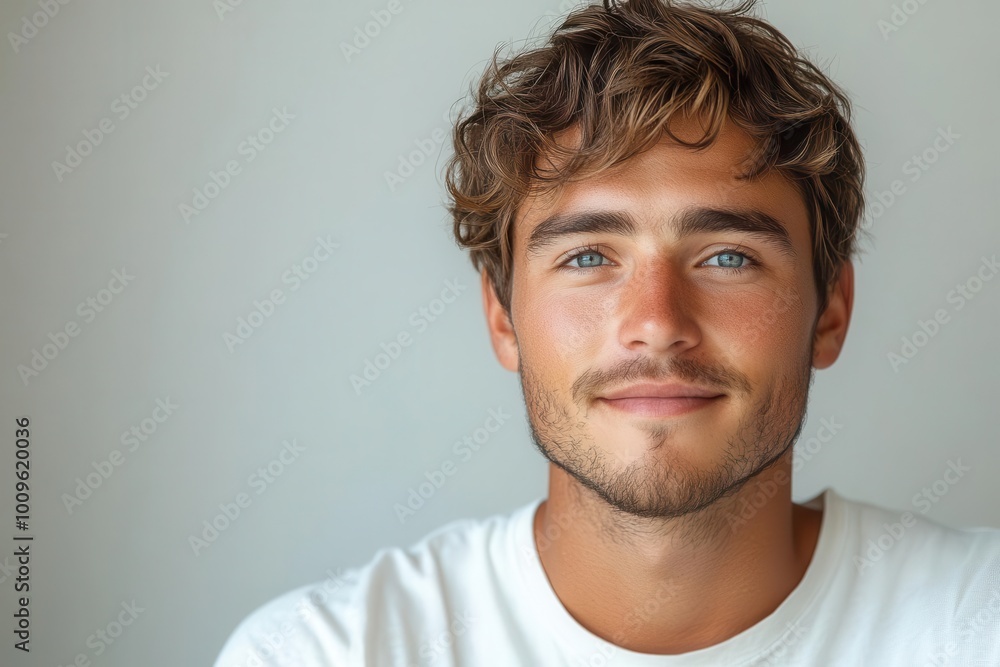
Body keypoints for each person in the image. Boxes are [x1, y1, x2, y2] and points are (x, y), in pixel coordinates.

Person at [215, 0, 1000, 664]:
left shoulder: (977, 624)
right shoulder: (324, 651)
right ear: (502, 316)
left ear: (829, 309)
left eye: (727, 256)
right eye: (590, 255)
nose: (657, 322)